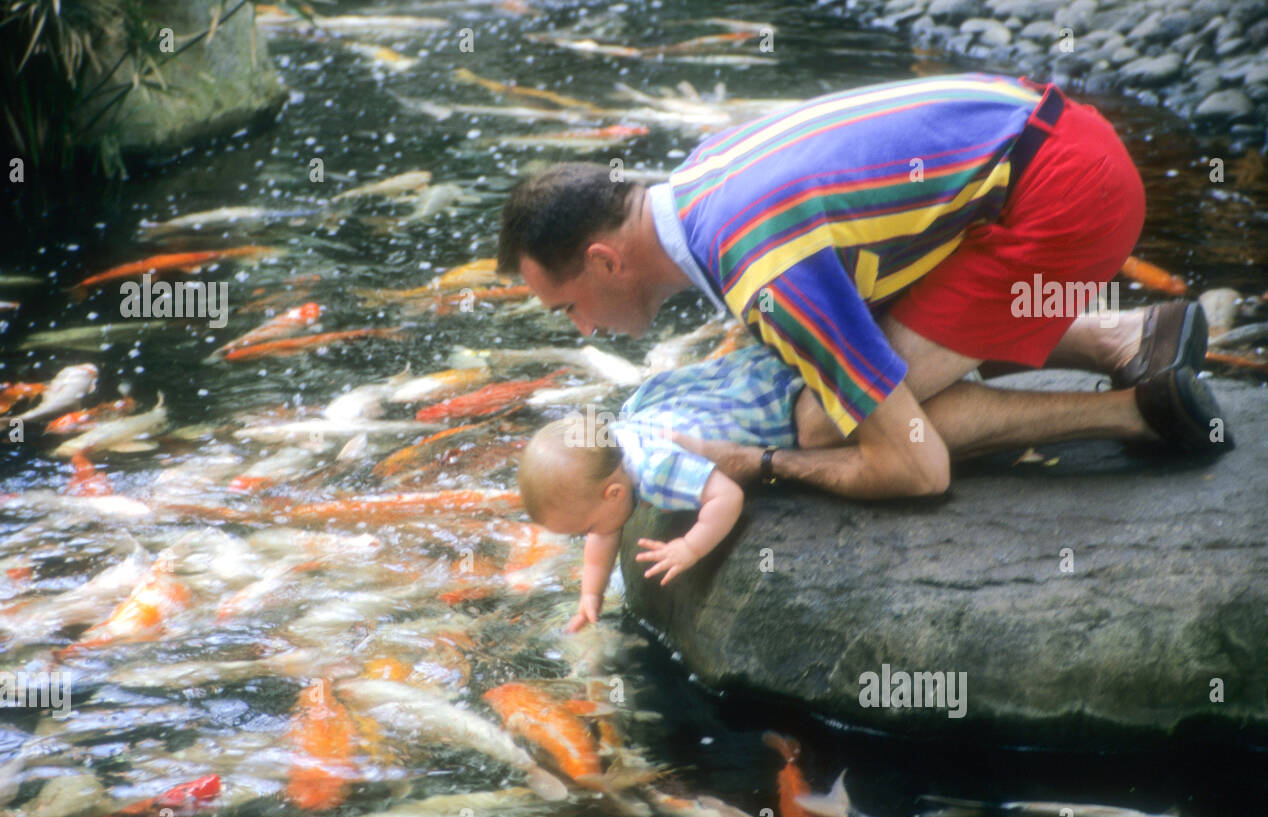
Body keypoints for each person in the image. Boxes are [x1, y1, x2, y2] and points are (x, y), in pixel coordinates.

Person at [498, 73, 1232, 502]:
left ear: (604, 262)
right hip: (1062, 136)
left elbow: (919, 470)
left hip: (1071, 199)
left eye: (568, 309)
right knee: (846, 359)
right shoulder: (701, 172)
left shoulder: (758, 264)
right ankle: (1129, 336)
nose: (583, 331)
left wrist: (762, 465)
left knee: (824, 420)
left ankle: (1135, 412)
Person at [519, 344, 840, 632]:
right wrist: (591, 594)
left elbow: (727, 496)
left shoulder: (658, 470)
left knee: (813, 432)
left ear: (614, 493)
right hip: (754, 369)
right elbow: (602, 533)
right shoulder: (615, 440)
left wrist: (690, 547)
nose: (589, 535)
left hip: (780, 402)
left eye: (584, 528)